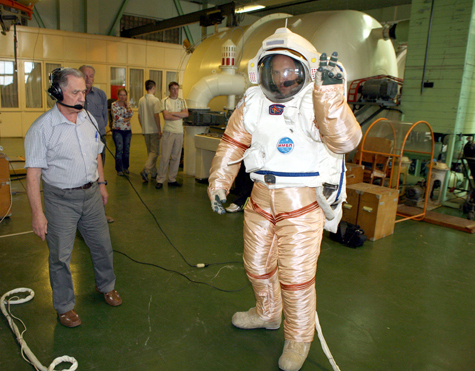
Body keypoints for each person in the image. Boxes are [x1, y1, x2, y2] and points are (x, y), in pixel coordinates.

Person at [207, 28, 362, 371]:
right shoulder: (253, 101)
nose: (282, 79)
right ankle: (267, 313)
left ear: (304, 69)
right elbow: (232, 144)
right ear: (262, 71)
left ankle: (298, 337)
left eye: (289, 70)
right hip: (261, 197)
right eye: (274, 71)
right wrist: (219, 182)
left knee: (296, 277)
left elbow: (344, 140)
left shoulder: (317, 100)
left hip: (301, 203)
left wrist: (332, 95)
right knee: (257, 266)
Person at [25, 67, 122, 328]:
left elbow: (97, 155)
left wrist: (102, 184)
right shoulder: (42, 128)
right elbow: (33, 176)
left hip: (90, 196)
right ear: (58, 92)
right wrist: (37, 213)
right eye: (75, 91)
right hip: (60, 201)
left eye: (84, 91)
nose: (82, 97)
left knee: (102, 245)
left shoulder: (88, 118)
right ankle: (65, 306)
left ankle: (107, 286)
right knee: (60, 256)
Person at [79, 64, 114, 223]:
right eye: (84, 75)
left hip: (98, 140)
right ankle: (80, 216)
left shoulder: (100, 94)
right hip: (79, 143)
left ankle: (99, 214)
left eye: (91, 75)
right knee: (81, 179)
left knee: (98, 177)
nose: (88, 79)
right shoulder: (73, 94)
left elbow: (104, 118)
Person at [155, 82, 189, 190]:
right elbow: (166, 116)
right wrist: (179, 115)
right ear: (169, 90)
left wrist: (172, 113)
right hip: (169, 132)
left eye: (177, 89)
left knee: (176, 156)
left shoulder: (182, 101)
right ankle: (160, 179)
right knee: (165, 156)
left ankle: (172, 179)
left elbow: (186, 114)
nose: (175, 91)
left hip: (179, 132)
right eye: (173, 89)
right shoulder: (164, 101)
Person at [138, 80, 162, 182]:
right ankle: (146, 170)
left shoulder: (141, 100)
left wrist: (143, 127)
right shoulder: (155, 100)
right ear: (153, 87)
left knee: (150, 152)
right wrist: (159, 130)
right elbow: (156, 116)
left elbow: (139, 116)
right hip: (154, 130)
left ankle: (154, 172)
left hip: (146, 130)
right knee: (154, 152)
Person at [111, 88, 133, 176]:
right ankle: (119, 169)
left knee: (126, 150)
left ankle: (126, 167)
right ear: (118, 95)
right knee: (119, 149)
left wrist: (127, 106)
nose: (122, 97)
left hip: (127, 130)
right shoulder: (114, 104)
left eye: (124, 95)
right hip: (117, 130)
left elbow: (130, 114)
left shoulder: (127, 105)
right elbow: (116, 117)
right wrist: (125, 119)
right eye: (121, 95)